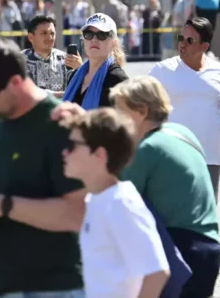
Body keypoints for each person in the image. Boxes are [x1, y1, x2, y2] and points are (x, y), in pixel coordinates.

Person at [53, 76, 220, 298]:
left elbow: (109, 189)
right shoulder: (182, 132)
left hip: (181, 250)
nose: (116, 118)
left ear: (142, 111)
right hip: (209, 247)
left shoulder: (147, 150)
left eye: (120, 110)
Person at [0, 36, 86, 298]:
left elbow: (77, 213)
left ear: (15, 82)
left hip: (54, 286)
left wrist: (2, 205)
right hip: (0, 285)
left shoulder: (60, 124)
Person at [61, 108, 170, 298]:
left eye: (72, 145)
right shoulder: (95, 199)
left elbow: (157, 272)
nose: (64, 152)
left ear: (99, 154)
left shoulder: (121, 203)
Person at [150, 17, 220, 200]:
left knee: (205, 220)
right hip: (173, 159)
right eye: (181, 38)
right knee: (174, 218)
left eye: (190, 41)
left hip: (210, 160)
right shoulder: (162, 71)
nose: (182, 44)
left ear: (204, 46)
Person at [64, 13, 129, 109]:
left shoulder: (118, 79)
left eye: (102, 34)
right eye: (88, 34)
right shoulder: (75, 76)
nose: (94, 39)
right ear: (83, 40)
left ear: (113, 43)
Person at [22, 15, 81, 96]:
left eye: (52, 33)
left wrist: (81, 69)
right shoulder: (20, 61)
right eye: (44, 33)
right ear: (31, 37)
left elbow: (79, 90)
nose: (49, 37)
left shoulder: (65, 59)